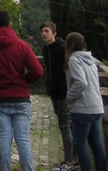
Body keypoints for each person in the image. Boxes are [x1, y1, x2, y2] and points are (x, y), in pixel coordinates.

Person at [0, 11, 44, 171]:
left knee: (4, 138)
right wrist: (25, 79)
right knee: (23, 139)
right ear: (10, 25)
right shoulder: (22, 46)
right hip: (20, 97)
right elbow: (38, 71)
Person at [64, 32, 107, 171]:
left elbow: (81, 83)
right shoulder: (91, 60)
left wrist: (69, 97)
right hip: (96, 106)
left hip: (83, 108)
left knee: (79, 144)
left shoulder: (74, 60)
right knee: (96, 145)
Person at [41, 21, 76, 171]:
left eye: (47, 31)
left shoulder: (62, 48)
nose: (44, 34)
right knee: (66, 123)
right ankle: (74, 155)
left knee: (65, 124)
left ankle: (69, 161)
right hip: (54, 91)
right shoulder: (45, 50)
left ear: (54, 33)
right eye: (42, 31)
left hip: (63, 92)